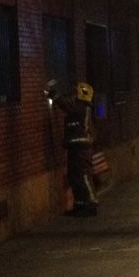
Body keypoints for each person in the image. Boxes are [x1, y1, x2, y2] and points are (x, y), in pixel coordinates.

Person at [46, 79, 98, 216]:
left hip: (81, 149)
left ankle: (91, 204)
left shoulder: (81, 107)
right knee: (75, 177)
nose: (73, 95)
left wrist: (53, 94)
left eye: (75, 92)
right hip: (75, 148)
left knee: (83, 176)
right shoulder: (81, 106)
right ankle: (80, 205)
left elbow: (66, 105)